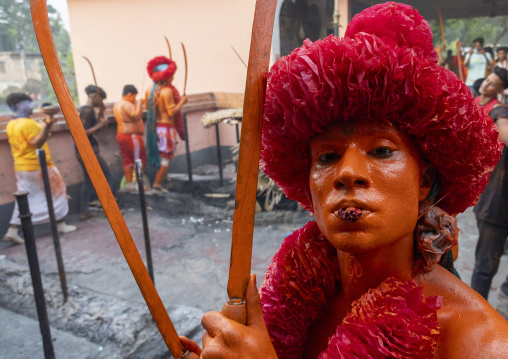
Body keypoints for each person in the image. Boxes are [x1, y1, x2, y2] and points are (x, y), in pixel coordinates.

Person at [180, 3, 508, 358]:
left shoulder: (483, 343)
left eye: (381, 151)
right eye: (327, 156)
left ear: (424, 180)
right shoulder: (288, 302)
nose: (348, 172)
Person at [4, 93, 76, 244]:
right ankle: (60, 224)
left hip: (21, 167)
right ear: (18, 105)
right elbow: (37, 142)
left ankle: (12, 230)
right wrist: (48, 125)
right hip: (38, 166)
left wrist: (45, 124)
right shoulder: (27, 124)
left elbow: (31, 137)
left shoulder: (12, 124)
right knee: (58, 192)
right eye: (27, 103)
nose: (31, 106)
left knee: (24, 200)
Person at [471, 67, 508, 319]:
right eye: (486, 80)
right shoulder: (494, 109)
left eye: (492, 83)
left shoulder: (500, 111)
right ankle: (474, 315)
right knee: (485, 265)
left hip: (497, 201)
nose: (486, 85)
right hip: (495, 203)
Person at [145, 56, 187, 194]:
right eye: (172, 76)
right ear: (167, 77)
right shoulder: (167, 91)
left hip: (155, 128)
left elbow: (147, 108)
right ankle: (156, 185)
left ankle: (158, 183)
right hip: (166, 129)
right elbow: (171, 113)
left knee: (163, 157)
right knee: (165, 159)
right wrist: (182, 102)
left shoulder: (149, 90)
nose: (173, 79)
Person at [76, 85, 113, 220]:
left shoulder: (88, 110)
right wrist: (101, 125)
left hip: (81, 150)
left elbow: (94, 128)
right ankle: (109, 207)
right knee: (108, 176)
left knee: (88, 180)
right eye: (100, 98)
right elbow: (83, 133)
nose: (101, 101)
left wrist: (101, 113)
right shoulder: (87, 111)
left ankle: (84, 210)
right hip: (88, 149)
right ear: (93, 96)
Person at [113, 84, 145, 192]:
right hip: (131, 137)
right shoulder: (126, 104)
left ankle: (130, 185)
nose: (135, 99)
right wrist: (140, 105)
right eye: (134, 96)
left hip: (122, 135)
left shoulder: (117, 104)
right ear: (129, 94)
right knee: (138, 160)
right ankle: (137, 185)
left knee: (128, 160)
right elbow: (136, 116)